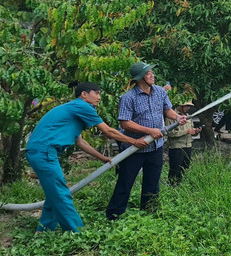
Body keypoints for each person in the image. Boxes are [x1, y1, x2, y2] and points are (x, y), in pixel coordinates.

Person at [25, 82, 149, 232]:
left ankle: (45, 230)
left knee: (54, 193)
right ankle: (77, 232)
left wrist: (101, 158)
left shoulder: (76, 110)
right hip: (44, 151)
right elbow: (108, 131)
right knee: (61, 193)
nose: (99, 97)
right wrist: (134, 141)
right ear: (84, 94)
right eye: (96, 93)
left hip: (42, 151)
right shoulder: (82, 106)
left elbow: (79, 141)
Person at [106, 62, 187, 221]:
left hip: (156, 147)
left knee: (152, 182)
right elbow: (125, 123)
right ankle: (114, 215)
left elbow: (167, 109)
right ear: (139, 78)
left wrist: (177, 117)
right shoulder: (128, 98)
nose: (152, 75)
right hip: (135, 147)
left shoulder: (160, 92)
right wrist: (149, 131)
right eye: (148, 73)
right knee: (125, 182)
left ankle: (149, 212)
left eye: (152, 73)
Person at [165, 101, 200, 186]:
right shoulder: (172, 117)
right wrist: (187, 131)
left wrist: (195, 131)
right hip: (176, 147)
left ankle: (182, 186)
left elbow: (191, 129)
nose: (188, 108)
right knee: (175, 169)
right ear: (180, 105)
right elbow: (170, 133)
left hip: (188, 145)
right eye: (187, 106)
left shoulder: (188, 116)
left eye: (189, 106)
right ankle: (172, 186)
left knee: (185, 168)